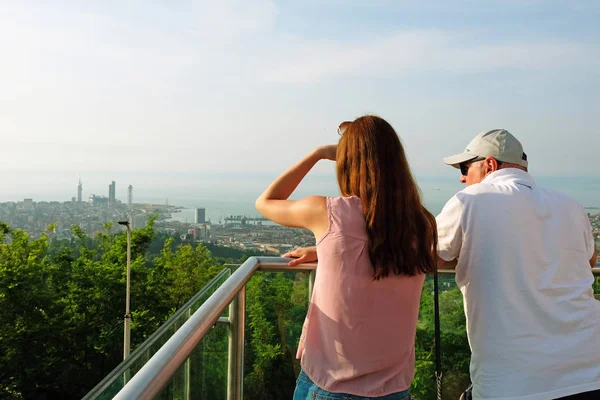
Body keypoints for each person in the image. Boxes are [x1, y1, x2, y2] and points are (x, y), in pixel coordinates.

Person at [285, 129, 600, 399]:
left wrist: (329, 247)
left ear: (489, 164)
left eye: (465, 167)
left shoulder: (471, 201)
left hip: (514, 382)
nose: (462, 177)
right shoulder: (570, 205)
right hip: (590, 368)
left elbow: (412, 252)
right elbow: (589, 260)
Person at [256, 115, 438, 400]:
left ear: (347, 163)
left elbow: (265, 202)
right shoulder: (421, 224)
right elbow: (377, 246)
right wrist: (325, 250)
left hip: (331, 385)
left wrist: (317, 154)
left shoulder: (329, 213)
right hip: (395, 389)